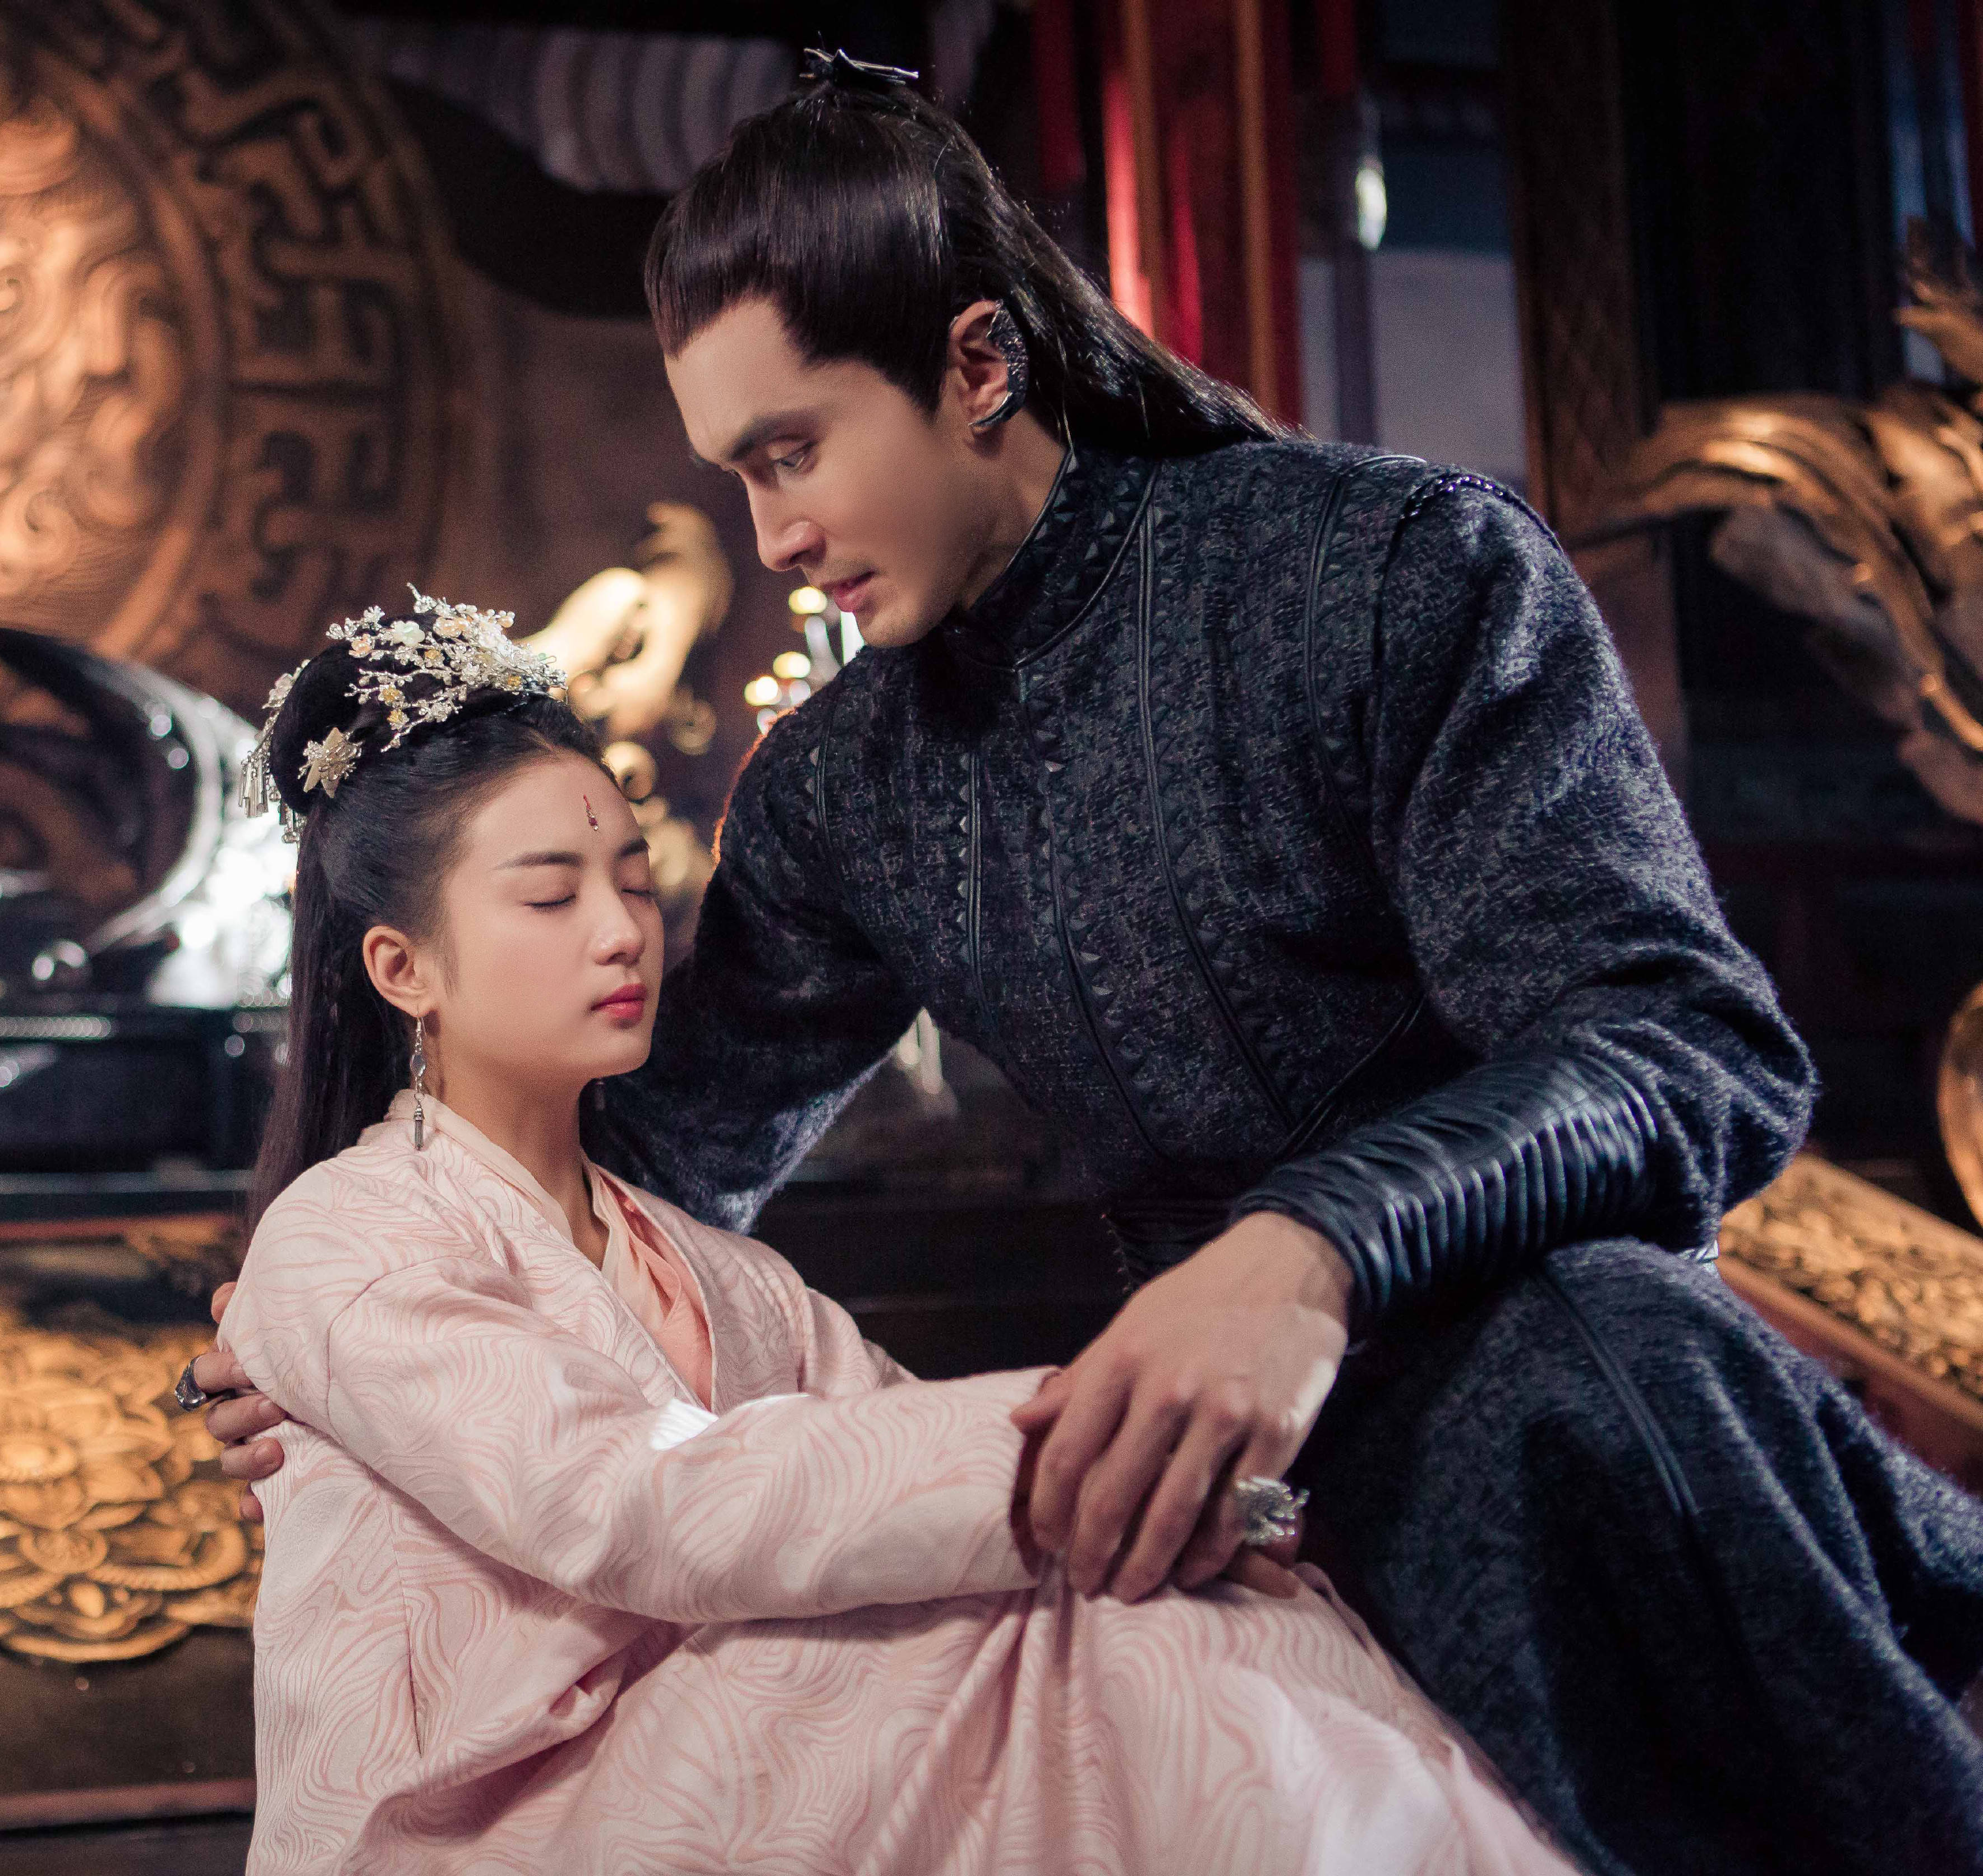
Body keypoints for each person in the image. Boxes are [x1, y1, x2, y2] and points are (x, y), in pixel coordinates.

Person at [195, 61, 1983, 1876]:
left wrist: (1309, 1251)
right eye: (737, 474)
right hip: (1177, 1476)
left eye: (792, 452)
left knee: (1594, 1416)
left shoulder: (1390, 573)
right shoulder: (844, 787)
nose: (770, 537)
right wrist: (353, 1342)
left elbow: (1687, 1044)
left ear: (978, 364)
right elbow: (639, 1163)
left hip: (1545, 1406)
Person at [206, 594, 1576, 1873]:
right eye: (552, 895)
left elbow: (891, 1449)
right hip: (495, 1805)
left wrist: (1131, 1492)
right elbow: (634, 1505)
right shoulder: (347, 1233)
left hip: (728, 1731)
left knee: (1178, 1619)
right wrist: (1094, 1455)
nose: (623, 931)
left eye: (632, 878)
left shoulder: (724, 1273)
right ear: (403, 967)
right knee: (1110, 1642)